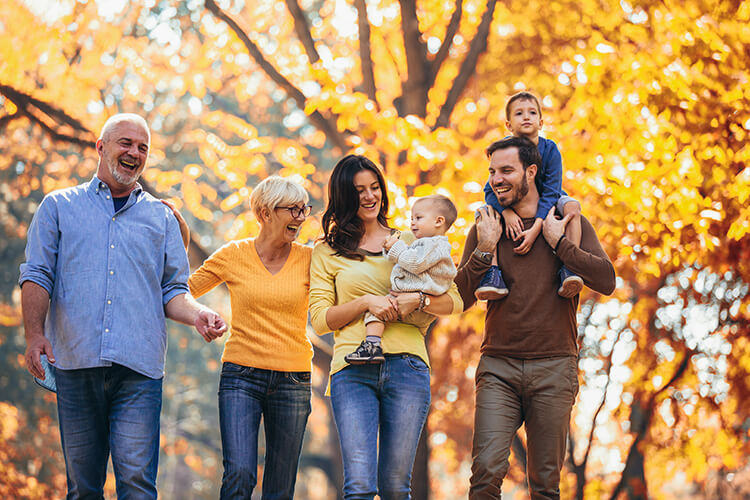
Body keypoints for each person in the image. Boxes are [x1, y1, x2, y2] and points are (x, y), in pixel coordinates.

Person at [19, 113, 227, 499]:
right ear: (101, 147)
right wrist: (34, 335)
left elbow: (173, 291)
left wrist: (199, 315)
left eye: (143, 147)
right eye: (126, 143)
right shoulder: (58, 207)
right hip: (75, 363)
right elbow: (37, 275)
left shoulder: (161, 217)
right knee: (83, 488)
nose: (135, 153)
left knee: (137, 486)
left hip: (139, 371)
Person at [456, 136, 615, 499]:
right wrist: (483, 248)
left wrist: (561, 244)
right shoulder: (487, 226)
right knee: (485, 474)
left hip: (554, 366)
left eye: (507, 170)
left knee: (545, 484)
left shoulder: (568, 221)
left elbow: (606, 280)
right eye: (493, 171)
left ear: (531, 171)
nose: (497, 179)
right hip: (499, 366)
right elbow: (459, 298)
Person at [309, 155, 463, 499]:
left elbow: (455, 301)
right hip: (352, 368)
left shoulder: (413, 240)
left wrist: (419, 302)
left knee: (396, 486)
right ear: (343, 197)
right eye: (359, 190)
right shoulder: (327, 251)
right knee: (360, 486)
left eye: (374, 187)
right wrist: (366, 302)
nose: (369, 196)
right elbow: (320, 319)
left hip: (407, 366)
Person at [188, 175, 314, 499]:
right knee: (240, 475)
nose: (301, 218)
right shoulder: (234, 255)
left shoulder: (311, 260)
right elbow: (183, 290)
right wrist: (202, 315)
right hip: (241, 376)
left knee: (280, 487)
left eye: (304, 210)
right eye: (293, 210)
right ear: (266, 212)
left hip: (293, 380)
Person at [475, 91, 584, 301]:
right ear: (508, 125)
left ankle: (570, 267)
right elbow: (490, 189)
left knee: (572, 208)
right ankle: (493, 273)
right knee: (483, 214)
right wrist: (505, 212)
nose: (526, 117)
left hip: (548, 199)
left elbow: (552, 190)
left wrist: (537, 225)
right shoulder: (504, 149)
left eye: (532, 113)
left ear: (541, 122)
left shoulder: (550, 149)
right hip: (512, 201)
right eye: (519, 113)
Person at [345, 194, 458, 364]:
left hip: (416, 304)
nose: (412, 222)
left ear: (438, 221)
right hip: (412, 300)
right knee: (378, 309)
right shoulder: (424, 244)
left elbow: (415, 263)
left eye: (418, 218)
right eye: (412, 218)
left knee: (376, 311)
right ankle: (372, 346)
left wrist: (396, 248)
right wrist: (389, 248)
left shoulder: (435, 245)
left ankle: (372, 346)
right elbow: (405, 259)